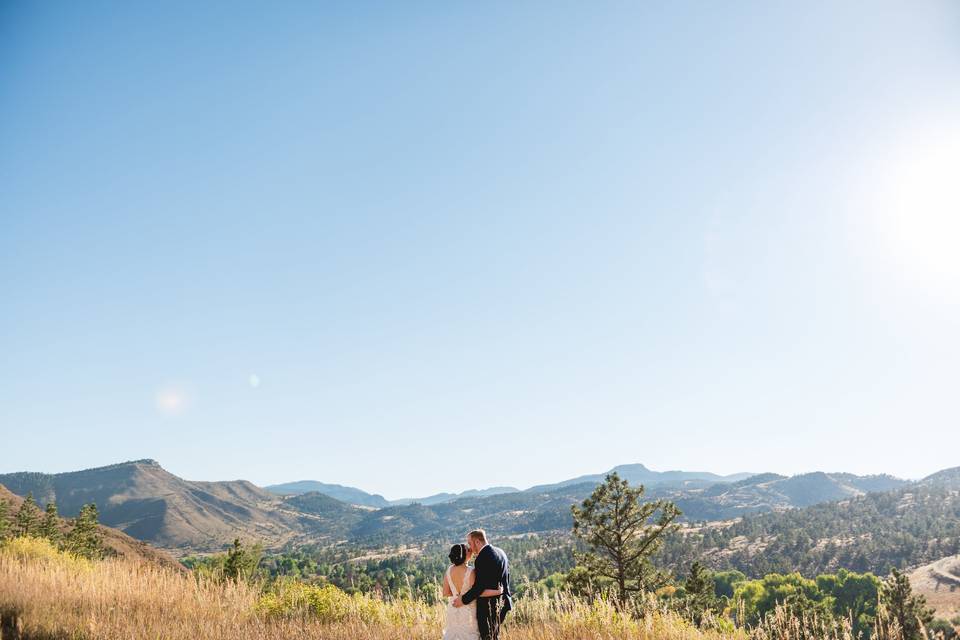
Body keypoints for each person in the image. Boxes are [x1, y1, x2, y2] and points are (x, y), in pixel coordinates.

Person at [453, 530, 512, 640]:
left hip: (489, 606)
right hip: (502, 603)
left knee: (488, 637)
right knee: (494, 636)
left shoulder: (482, 558)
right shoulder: (500, 552)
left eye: (470, 543)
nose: (469, 548)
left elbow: (479, 587)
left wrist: (463, 599)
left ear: (477, 542)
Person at [442, 542, 503, 640]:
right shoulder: (471, 571)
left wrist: (457, 595)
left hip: (453, 608)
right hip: (468, 610)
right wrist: (497, 592)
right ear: (465, 555)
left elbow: (445, 593)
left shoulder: (449, 570)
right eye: (469, 550)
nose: (471, 550)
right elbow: (477, 592)